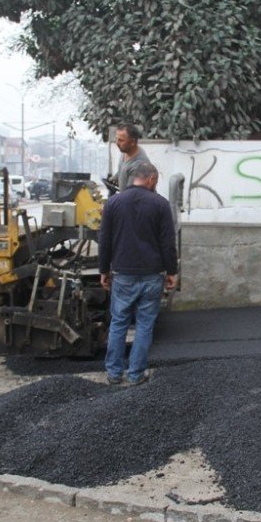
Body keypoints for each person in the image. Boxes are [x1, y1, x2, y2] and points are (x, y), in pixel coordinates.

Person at [99, 162, 178, 385]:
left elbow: (104, 240)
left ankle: (114, 374)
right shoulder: (160, 204)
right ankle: (136, 375)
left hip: (122, 274)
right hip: (152, 275)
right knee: (144, 325)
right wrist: (172, 271)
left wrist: (103, 270)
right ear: (151, 179)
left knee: (118, 323)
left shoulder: (113, 203)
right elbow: (167, 243)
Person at [114, 124, 150, 190]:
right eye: (116, 139)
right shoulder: (126, 151)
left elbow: (131, 194)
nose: (117, 143)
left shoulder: (139, 165)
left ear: (132, 142)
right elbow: (124, 170)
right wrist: (114, 178)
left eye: (121, 140)